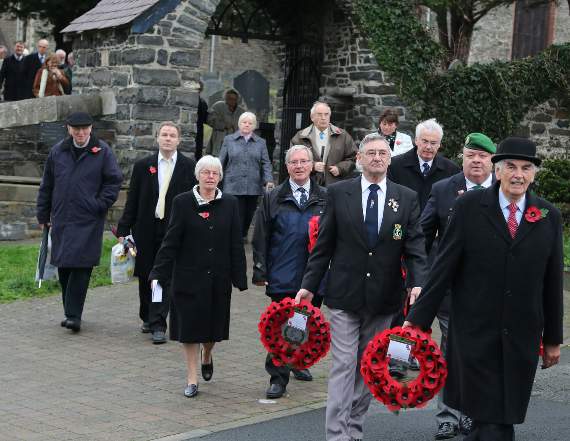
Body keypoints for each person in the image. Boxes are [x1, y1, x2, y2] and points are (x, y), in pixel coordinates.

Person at [405, 137, 563, 441]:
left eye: (526, 168)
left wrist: (553, 338)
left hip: (521, 335)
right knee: (491, 420)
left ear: (533, 174)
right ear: (498, 171)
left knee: (497, 418)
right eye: (511, 167)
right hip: (475, 332)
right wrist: (418, 318)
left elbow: (553, 282)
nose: (519, 174)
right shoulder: (468, 207)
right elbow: (444, 267)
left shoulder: (548, 217)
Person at [295, 133, 428, 441]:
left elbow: (416, 248)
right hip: (344, 294)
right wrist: (308, 286)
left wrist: (418, 283)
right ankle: (336, 434)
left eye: (383, 152)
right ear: (360, 159)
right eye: (371, 153)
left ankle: (355, 429)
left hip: (384, 297)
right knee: (343, 364)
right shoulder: (340, 193)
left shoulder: (406, 197)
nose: (377, 157)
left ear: (390, 158)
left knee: (368, 365)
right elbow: (323, 245)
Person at [149, 155, 247, 398]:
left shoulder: (231, 204)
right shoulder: (182, 203)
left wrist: (240, 276)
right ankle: (192, 379)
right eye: (206, 172)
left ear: (220, 177)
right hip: (188, 278)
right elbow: (171, 240)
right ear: (198, 175)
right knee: (189, 328)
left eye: (215, 173)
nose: (210, 177)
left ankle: (208, 352)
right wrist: (158, 272)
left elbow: (236, 243)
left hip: (218, 278)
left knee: (212, 331)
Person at [420, 132, 496, 440]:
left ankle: (472, 412)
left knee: (481, 353)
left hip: (491, 292)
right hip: (451, 291)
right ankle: (448, 416)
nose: (476, 161)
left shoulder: (506, 192)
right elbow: (422, 238)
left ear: (493, 161)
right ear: (462, 157)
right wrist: (420, 279)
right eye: (470, 155)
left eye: (483, 156)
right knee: (452, 349)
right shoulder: (443, 189)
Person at [252, 144, 327, 399]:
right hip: (282, 274)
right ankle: (277, 377)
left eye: (303, 161)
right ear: (287, 167)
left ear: (311, 164)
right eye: (294, 162)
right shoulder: (273, 197)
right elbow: (260, 236)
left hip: (314, 276)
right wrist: (260, 270)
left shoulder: (325, 197)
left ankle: (296, 361)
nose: (299, 166)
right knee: (280, 327)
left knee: (302, 323)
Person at [36, 112, 122, 333]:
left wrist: (98, 205)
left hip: (88, 219)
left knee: (81, 266)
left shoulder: (102, 151)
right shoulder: (58, 151)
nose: (81, 133)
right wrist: (43, 215)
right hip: (62, 218)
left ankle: (74, 315)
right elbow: (47, 185)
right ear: (68, 129)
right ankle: (70, 312)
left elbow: (113, 182)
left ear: (91, 129)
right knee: (64, 264)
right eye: (76, 129)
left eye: (85, 129)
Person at [116, 122, 196, 343]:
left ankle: (158, 322)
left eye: (172, 135)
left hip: (173, 229)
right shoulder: (144, 166)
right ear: (157, 138)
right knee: (145, 274)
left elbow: (193, 201)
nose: (168, 139)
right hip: (146, 227)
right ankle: (147, 314)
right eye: (164, 135)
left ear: (179, 140)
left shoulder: (188, 167)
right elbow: (133, 199)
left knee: (163, 276)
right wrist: (123, 228)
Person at [219, 111, 274, 241]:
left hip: (252, 184)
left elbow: (266, 162)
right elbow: (221, 160)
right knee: (236, 213)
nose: (247, 125)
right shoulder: (229, 140)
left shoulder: (261, 142)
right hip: (232, 184)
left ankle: (243, 233)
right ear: (239, 124)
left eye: (250, 123)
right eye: (244, 122)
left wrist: (268, 180)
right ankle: (235, 236)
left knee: (249, 213)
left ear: (254, 126)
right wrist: (215, 176)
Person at [388, 118, 460, 211]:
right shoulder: (395, 166)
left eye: (433, 143)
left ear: (439, 144)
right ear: (416, 140)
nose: (428, 147)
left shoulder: (451, 170)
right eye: (425, 141)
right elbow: (389, 198)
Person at [291, 101, 357, 186]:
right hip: (308, 185)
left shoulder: (342, 135)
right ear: (312, 117)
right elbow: (292, 160)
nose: (323, 118)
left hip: (335, 186)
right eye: (319, 114)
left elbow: (354, 157)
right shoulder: (300, 136)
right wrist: (312, 166)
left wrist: (340, 168)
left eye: (326, 114)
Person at [206, 88, 245, 156]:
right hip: (218, 141)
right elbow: (210, 120)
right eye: (229, 98)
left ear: (237, 100)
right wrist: (223, 125)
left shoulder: (241, 112)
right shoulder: (218, 106)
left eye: (234, 99)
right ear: (225, 98)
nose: (232, 101)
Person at [195, 80, 208, 160]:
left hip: (199, 132)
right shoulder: (202, 102)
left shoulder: (203, 103)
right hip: (197, 130)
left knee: (197, 154)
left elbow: (205, 120)